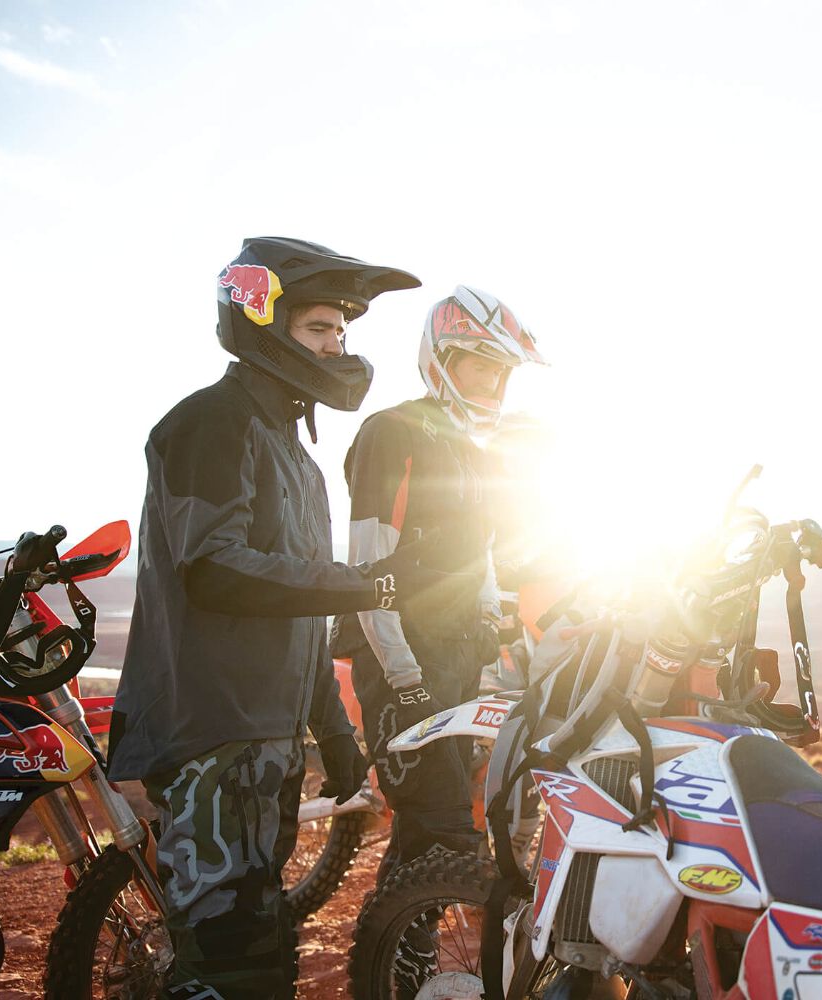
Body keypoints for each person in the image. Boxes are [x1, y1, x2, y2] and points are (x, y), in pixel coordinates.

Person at [107, 237, 445, 1000]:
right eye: (319, 329)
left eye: (342, 333)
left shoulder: (294, 452)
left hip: (264, 740)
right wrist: (369, 585)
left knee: (262, 953)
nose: (338, 347)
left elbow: (296, 610)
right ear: (262, 321)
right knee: (228, 967)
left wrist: (334, 730)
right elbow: (218, 569)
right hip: (211, 731)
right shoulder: (211, 424)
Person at [334, 285, 545, 884]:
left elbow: (480, 557)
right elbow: (367, 571)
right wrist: (404, 681)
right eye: (480, 365)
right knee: (445, 828)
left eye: (502, 371)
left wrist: (486, 641)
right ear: (442, 360)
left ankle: (399, 966)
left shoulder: (471, 450)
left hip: (451, 657)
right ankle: (400, 965)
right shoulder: (393, 431)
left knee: (432, 833)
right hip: (399, 657)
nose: (491, 383)